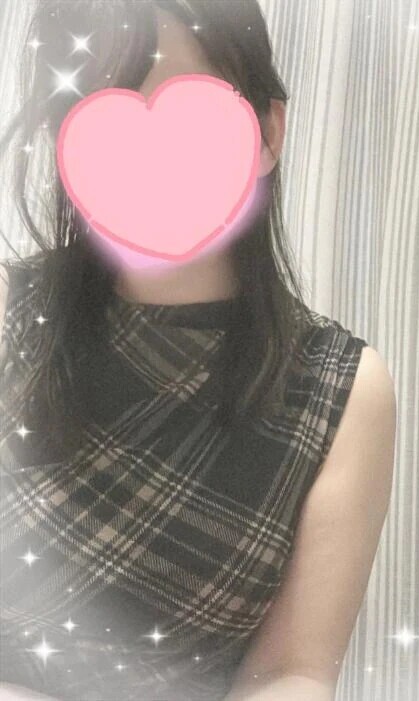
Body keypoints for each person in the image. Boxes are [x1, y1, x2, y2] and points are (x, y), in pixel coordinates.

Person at [0, 2, 396, 700]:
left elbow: (292, 672)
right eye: (98, 120)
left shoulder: (340, 390)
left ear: (267, 131)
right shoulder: (10, 313)